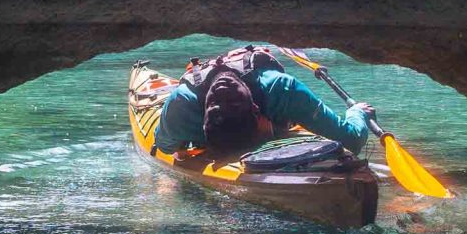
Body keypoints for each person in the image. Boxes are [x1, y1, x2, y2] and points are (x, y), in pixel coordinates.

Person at [155, 45, 373, 158]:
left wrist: (357, 112)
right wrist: (357, 112)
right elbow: (164, 147)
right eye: (231, 105)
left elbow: (350, 140)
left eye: (219, 106)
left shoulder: (281, 89)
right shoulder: (182, 104)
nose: (224, 98)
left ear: (259, 112)